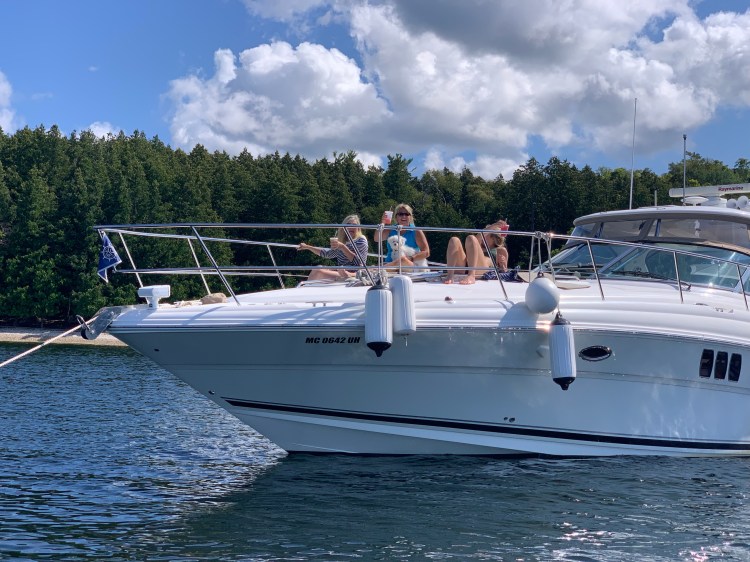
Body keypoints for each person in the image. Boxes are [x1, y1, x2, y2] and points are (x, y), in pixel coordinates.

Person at [297, 214, 369, 281]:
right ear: (344, 228)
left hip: (356, 273)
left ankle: (348, 276)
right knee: (318, 268)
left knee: (319, 272)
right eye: (348, 224)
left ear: (358, 228)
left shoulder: (361, 240)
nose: (351, 227)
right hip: (342, 271)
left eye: (354, 225)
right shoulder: (343, 241)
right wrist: (308, 247)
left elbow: (359, 263)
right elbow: (328, 254)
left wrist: (343, 247)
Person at [444, 220, 509, 284]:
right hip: (465, 267)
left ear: (493, 238)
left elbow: (504, 270)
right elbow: (477, 238)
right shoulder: (478, 244)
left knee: (471, 238)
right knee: (454, 240)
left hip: (483, 269)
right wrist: (494, 225)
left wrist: (503, 266)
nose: (483, 236)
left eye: (486, 234)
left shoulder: (500, 250)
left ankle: (471, 275)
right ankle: (450, 275)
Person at [373, 203, 430, 270]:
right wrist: (383, 222)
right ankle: (379, 269)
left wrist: (411, 258)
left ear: (410, 217)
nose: (403, 216)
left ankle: (377, 269)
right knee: (383, 264)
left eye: (406, 214)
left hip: (410, 264)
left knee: (402, 260)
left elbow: (426, 252)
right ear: (396, 217)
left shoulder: (416, 231)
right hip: (390, 263)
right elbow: (376, 238)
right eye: (400, 214)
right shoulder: (391, 230)